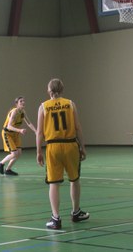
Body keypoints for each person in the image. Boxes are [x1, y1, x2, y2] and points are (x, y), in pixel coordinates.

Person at [36, 78, 89, 230]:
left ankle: (56, 218)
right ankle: (76, 212)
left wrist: (39, 151)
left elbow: (39, 132)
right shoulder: (70, 104)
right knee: (74, 179)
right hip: (70, 145)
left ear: (49, 90)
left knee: (54, 183)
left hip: (53, 146)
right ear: (62, 89)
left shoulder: (43, 107)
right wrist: (83, 147)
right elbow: (78, 127)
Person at [0, 96, 37, 175]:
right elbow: (9, 126)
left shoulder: (22, 112)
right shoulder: (14, 112)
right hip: (7, 133)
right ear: (16, 104)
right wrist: (20, 130)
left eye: (23, 101)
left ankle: (8, 170)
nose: (23, 102)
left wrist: (36, 131)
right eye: (21, 101)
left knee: (19, 153)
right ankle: (1, 163)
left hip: (15, 133)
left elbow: (29, 123)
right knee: (14, 153)